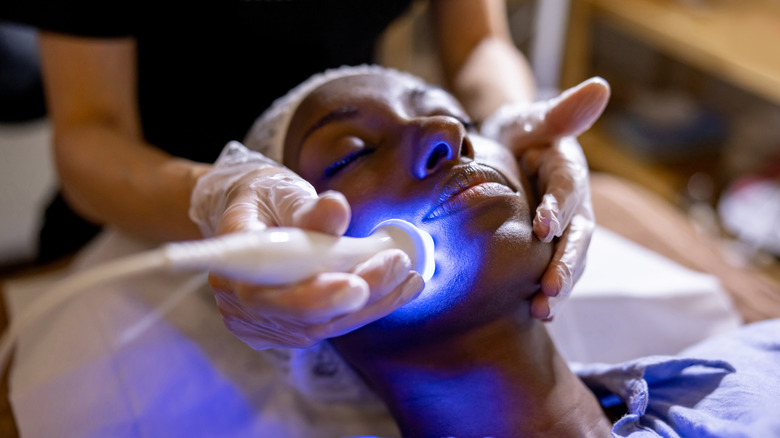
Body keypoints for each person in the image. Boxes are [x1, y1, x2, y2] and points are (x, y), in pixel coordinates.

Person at [231, 65, 780, 437]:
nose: (447, 130)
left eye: (464, 119)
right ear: (304, 297)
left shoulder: (756, 362)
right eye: (352, 154)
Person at [6, 1, 594, 348]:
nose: (448, 136)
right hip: (145, 205)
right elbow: (89, 130)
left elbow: (478, 44)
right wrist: (215, 195)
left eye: (448, 116)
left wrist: (516, 124)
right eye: (348, 152)